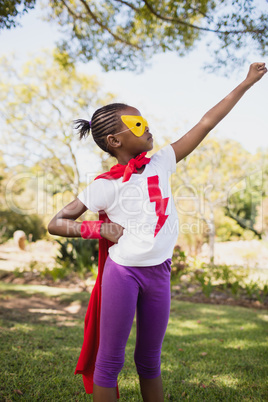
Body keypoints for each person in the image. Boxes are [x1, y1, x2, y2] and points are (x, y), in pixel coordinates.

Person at [48, 62, 267, 402]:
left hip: (159, 273)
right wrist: (98, 227)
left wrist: (247, 83)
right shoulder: (104, 186)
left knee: (149, 360)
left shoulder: (163, 161)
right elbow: (56, 223)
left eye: (146, 121)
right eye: (137, 124)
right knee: (110, 360)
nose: (147, 128)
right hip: (122, 274)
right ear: (114, 140)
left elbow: (206, 122)